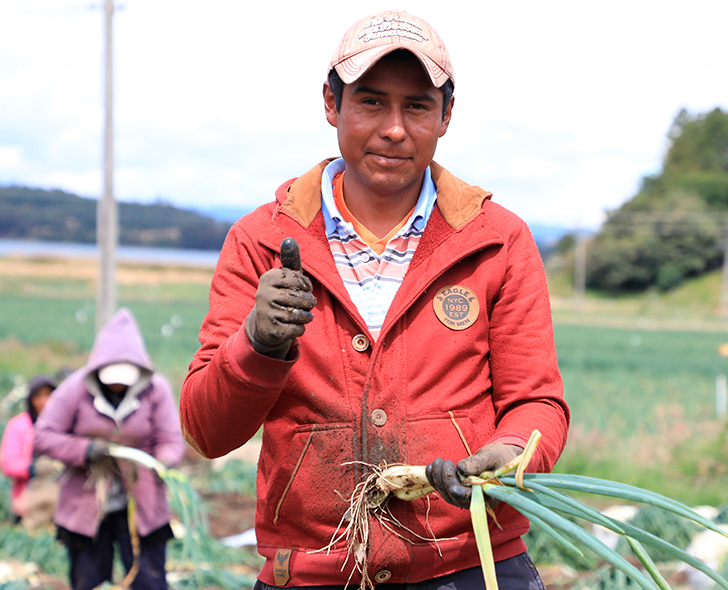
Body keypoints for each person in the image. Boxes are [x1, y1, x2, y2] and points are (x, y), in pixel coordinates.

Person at [180, 9, 569, 589]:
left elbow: (537, 402)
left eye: (417, 105)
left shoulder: (496, 241)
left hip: (470, 564)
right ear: (331, 104)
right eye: (370, 101)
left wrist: (513, 452)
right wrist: (257, 345)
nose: (394, 128)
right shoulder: (260, 241)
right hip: (315, 572)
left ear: (446, 116)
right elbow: (207, 431)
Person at [35, 308, 184, 590]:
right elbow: (43, 435)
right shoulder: (75, 388)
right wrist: (84, 449)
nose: (117, 383)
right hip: (85, 503)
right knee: (88, 580)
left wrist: (163, 461)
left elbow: (171, 440)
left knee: (148, 580)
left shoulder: (156, 389)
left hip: (142, 503)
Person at [0, 374, 55, 521]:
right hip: (28, 498)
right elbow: (7, 464)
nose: (44, 401)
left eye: (48, 395)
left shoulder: (63, 424)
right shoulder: (18, 426)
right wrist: (32, 469)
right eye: (38, 396)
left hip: (58, 501)